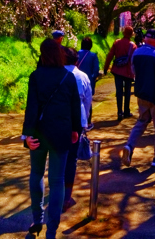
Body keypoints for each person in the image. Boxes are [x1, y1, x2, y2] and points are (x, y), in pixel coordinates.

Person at [22, 38, 82, 238]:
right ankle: (52, 229)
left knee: (36, 174)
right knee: (57, 182)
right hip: (61, 134)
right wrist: (75, 130)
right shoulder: (68, 77)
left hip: (39, 134)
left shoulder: (35, 76)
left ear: (42, 54)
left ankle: (37, 219)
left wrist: (27, 136)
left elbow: (31, 108)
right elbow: (75, 108)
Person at [120, 29, 155, 168]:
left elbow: (134, 71)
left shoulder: (136, 53)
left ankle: (129, 146)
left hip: (141, 93)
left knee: (142, 121)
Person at [62, 47, 94, 212]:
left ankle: (58, 192)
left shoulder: (55, 74)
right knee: (71, 159)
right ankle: (67, 196)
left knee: (58, 157)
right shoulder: (82, 76)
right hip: (77, 122)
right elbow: (88, 101)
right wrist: (86, 120)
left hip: (57, 121)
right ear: (76, 61)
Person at [103, 26, 137, 119]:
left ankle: (119, 112)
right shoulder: (133, 46)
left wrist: (106, 68)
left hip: (117, 70)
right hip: (128, 72)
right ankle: (126, 111)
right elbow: (135, 60)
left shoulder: (117, 43)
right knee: (127, 91)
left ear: (123, 33)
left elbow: (110, 56)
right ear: (131, 34)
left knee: (119, 92)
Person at [76, 37, 100, 126]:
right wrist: (94, 77)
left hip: (76, 80)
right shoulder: (93, 56)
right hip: (88, 81)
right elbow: (96, 70)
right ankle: (88, 122)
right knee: (87, 101)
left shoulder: (76, 54)